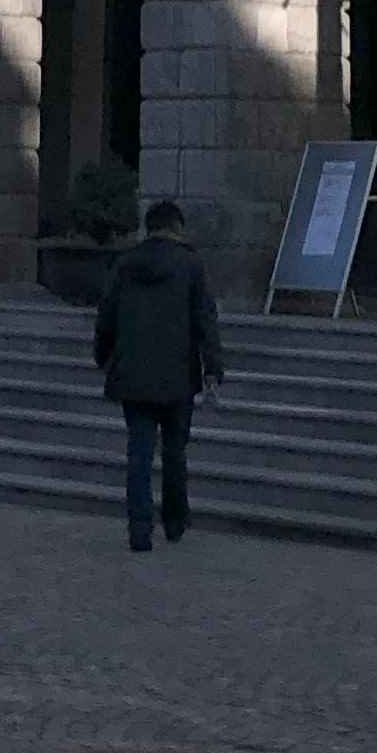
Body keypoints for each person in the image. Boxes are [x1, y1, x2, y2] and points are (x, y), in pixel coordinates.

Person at [92, 193, 225, 554]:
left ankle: (139, 530)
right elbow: (205, 320)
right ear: (178, 228)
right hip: (179, 376)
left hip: (133, 373)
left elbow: (106, 317)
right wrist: (213, 367)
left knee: (138, 453)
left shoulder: (124, 264)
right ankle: (175, 520)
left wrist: (102, 357)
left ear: (148, 228)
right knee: (175, 452)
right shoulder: (191, 265)